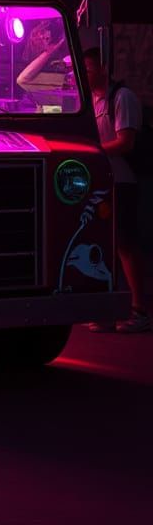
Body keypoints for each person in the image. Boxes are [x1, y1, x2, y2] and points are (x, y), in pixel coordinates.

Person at [84, 49, 149, 334]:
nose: (84, 74)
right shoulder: (91, 102)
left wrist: (94, 151)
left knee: (125, 245)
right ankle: (108, 309)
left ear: (104, 68)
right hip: (101, 184)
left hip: (123, 181)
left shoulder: (123, 98)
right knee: (104, 245)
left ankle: (140, 311)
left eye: (87, 69)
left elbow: (126, 143)